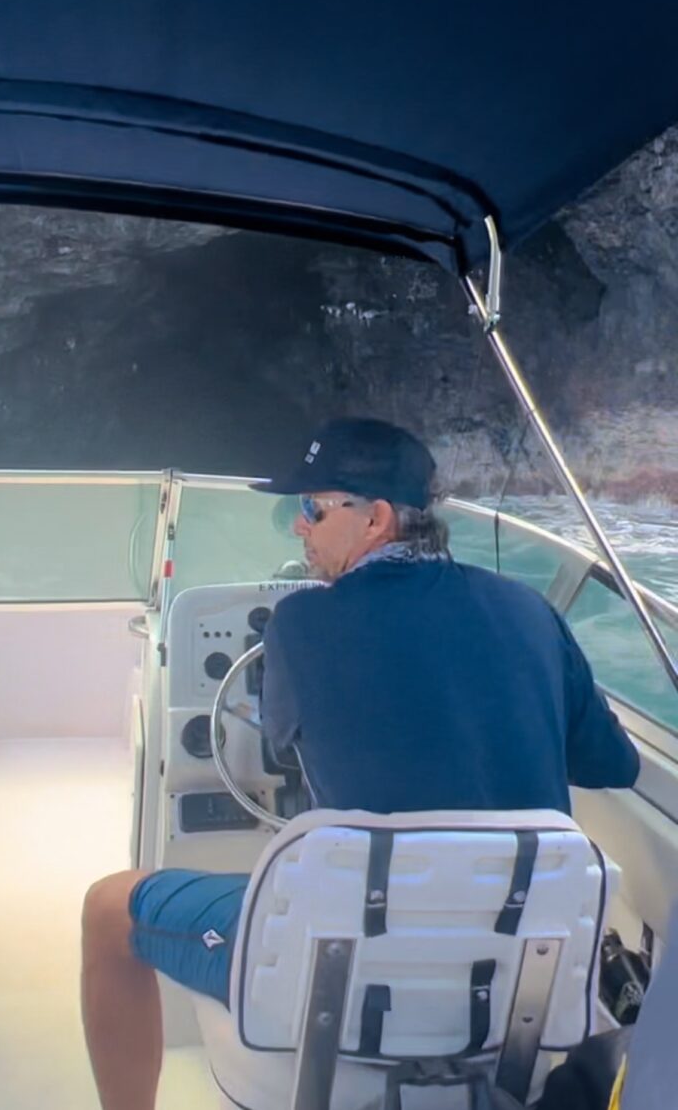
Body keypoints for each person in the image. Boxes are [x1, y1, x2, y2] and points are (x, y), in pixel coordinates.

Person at [81, 418, 639, 1110]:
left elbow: (282, 748)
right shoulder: (531, 610)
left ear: (374, 519)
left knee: (108, 909)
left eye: (312, 508)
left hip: (340, 986)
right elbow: (614, 764)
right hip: (513, 985)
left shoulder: (300, 625)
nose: (298, 527)